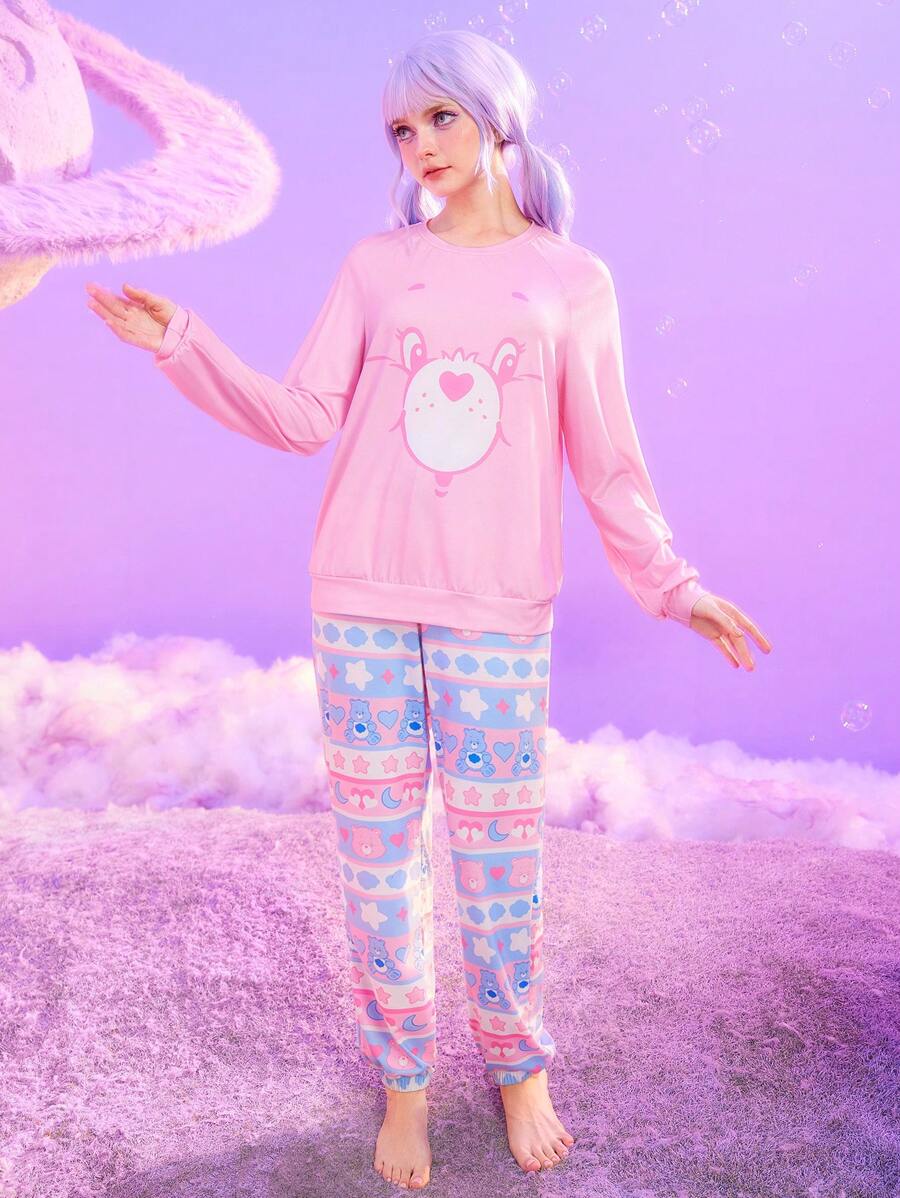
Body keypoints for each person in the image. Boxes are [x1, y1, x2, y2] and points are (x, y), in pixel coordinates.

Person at [84, 27, 771, 1191]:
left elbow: (607, 459)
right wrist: (182, 343)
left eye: (440, 117)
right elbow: (305, 416)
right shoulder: (374, 265)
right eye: (403, 129)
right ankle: (405, 1080)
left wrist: (674, 584)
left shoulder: (574, 280)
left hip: (498, 606)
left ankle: (517, 1066)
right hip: (360, 597)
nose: (421, 144)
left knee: (501, 858)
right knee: (378, 860)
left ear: (495, 118)